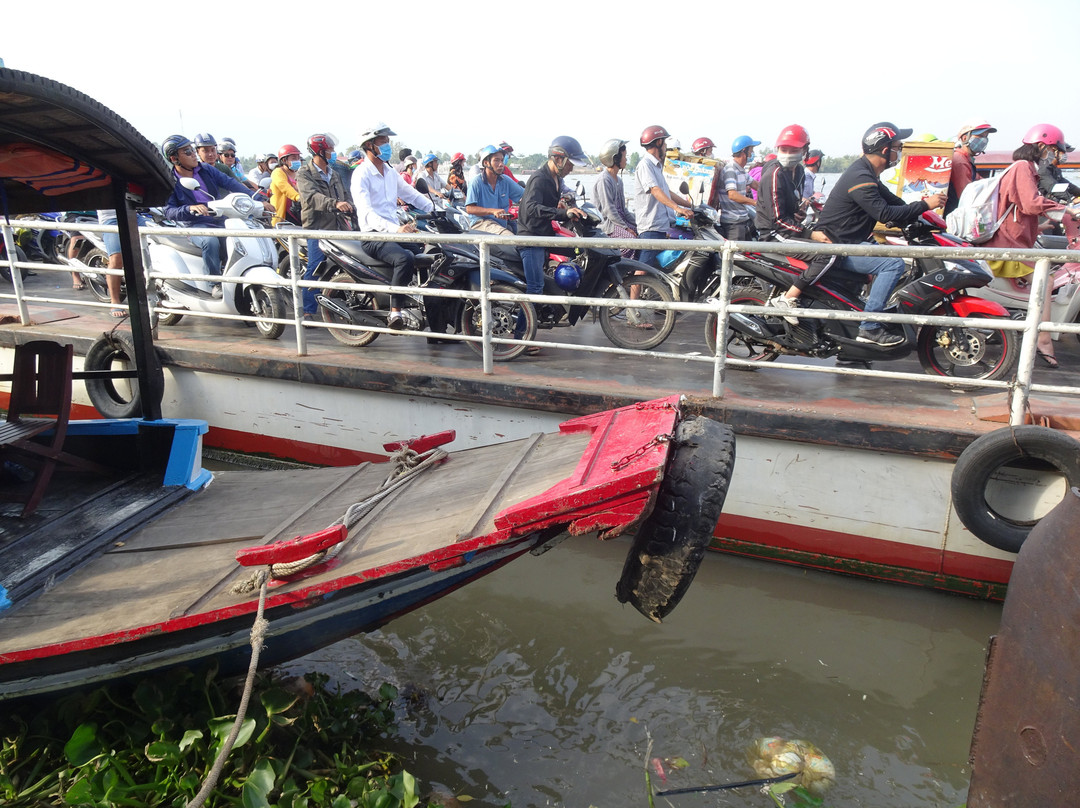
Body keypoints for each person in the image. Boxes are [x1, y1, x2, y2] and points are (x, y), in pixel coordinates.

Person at [771, 122, 947, 346]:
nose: (900, 151)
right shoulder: (861, 177)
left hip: (849, 242)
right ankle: (870, 327)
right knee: (893, 265)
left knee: (884, 255)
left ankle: (853, 347)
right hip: (837, 247)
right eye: (898, 146)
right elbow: (883, 212)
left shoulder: (869, 174)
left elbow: (895, 203)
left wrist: (920, 215)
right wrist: (925, 205)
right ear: (885, 150)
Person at [983, 124, 1068, 368]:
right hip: (1006, 246)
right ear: (1041, 146)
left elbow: (1019, 209)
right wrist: (1064, 209)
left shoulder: (1027, 169)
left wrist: (1038, 226)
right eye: (1053, 150)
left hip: (1014, 241)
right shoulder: (1022, 168)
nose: (1054, 155)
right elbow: (1030, 204)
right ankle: (1043, 340)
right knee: (1047, 281)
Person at [350, 122, 433, 329]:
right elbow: (367, 213)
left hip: (395, 232)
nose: (387, 145)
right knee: (404, 258)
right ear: (369, 145)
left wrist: (435, 208)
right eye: (383, 141)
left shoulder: (389, 172)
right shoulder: (362, 174)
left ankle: (427, 306)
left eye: (388, 141)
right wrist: (396, 229)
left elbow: (410, 193)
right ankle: (395, 312)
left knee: (431, 254)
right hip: (375, 236)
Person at [161, 134, 267, 292]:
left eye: (192, 150)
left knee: (243, 236)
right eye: (188, 152)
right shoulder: (170, 181)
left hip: (220, 218)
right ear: (174, 158)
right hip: (194, 225)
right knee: (210, 241)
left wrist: (258, 199)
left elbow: (230, 183)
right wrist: (190, 208)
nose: (193, 154)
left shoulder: (206, 169)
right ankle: (214, 283)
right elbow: (169, 211)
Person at [517, 136, 590, 352]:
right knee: (535, 287)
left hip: (544, 235)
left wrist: (567, 208)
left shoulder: (555, 179)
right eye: (569, 164)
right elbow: (531, 208)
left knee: (577, 249)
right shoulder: (540, 179)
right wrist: (561, 212)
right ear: (558, 158)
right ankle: (521, 338)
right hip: (531, 238)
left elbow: (547, 206)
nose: (570, 169)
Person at [297, 133, 354, 320]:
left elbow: (346, 195)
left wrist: (351, 206)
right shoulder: (304, 173)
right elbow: (312, 198)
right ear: (319, 151)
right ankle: (307, 310)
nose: (333, 153)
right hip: (317, 228)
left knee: (348, 265)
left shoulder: (335, 173)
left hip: (338, 227)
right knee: (316, 267)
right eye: (330, 150)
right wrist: (335, 204)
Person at [633, 124, 693, 268]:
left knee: (658, 269)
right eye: (665, 143)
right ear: (659, 143)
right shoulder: (645, 165)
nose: (666, 147)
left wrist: (690, 205)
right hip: (651, 228)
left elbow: (667, 192)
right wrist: (678, 209)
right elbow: (655, 190)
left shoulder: (657, 166)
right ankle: (633, 291)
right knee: (642, 270)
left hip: (661, 227)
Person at [755, 124, 811, 240]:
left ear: (805, 150)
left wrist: (798, 212)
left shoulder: (800, 171)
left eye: (794, 150)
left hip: (789, 230)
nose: (788, 155)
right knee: (827, 255)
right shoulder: (774, 175)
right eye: (784, 150)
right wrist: (810, 234)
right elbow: (778, 221)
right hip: (774, 234)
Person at [96, 208, 151, 316]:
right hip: (111, 219)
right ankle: (115, 301)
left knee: (153, 249)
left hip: (133, 215)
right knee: (116, 259)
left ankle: (150, 295)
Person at [591, 138, 638, 257]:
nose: (626, 159)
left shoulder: (619, 181)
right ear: (615, 158)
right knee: (631, 241)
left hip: (619, 221)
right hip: (607, 224)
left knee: (643, 234)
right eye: (624, 156)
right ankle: (613, 263)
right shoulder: (604, 180)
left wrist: (640, 223)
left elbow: (623, 210)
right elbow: (608, 210)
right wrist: (626, 229)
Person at [465, 145, 523, 235]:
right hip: (481, 223)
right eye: (496, 160)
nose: (501, 164)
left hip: (500, 225)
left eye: (502, 160)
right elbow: (469, 209)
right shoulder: (476, 182)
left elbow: (524, 196)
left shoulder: (505, 180)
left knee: (524, 236)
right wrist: (493, 211)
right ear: (486, 163)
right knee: (510, 238)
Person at [946, 120, 996, 215]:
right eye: (980, 136)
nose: (984, 140)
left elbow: (981, 182)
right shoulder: (960, 161)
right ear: (965, 138)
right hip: (956, 214)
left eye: (986, 137)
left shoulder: (966, 159)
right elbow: (965, 195)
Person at [718, 135, 760, 240]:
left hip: (743, 219)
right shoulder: (731, 170)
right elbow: (732, 195)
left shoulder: (740, 170)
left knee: (749, 253)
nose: (752, 154)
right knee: (736, 255)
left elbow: (755, 184)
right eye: (751, 151)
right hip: (733, 223)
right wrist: (755, 202)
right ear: (743, 152)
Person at [1036, 136, 1080, 203]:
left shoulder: (1055, 169)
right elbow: (1053, 187)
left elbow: (1066, 184)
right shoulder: (1043, 168)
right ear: (1054, 152)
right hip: (1042, 204)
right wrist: (1072, 199)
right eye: (1063, 152)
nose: (1064, 155)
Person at [270, 144, 303, 226]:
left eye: (298, 158)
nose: (297, 160)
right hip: (284, 214)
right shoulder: (278, 172)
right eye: (294, 158)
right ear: (284, 160)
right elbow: (284, 187)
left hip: (298, 211)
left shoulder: (299, 173)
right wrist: (298, 197)